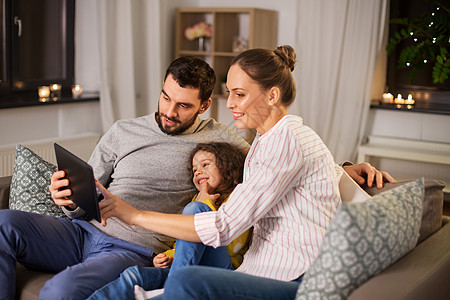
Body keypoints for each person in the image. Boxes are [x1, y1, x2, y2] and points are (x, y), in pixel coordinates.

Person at [93, 45, 395, 299]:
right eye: (230, 94)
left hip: (295, 280)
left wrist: (131, 214)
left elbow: (224, 226)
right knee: (189, 216)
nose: (231, 104)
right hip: (255, 268)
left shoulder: (286, 141)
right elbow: (303, 174)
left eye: (239, 94)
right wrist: (342, 170)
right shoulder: (267, 140)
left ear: (272, 96)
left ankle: (169, 290)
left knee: (186, 281)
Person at [0, 56, 250, 300]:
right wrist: (69, 199)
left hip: (131, 248)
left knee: (60, 291)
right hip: (82, 232)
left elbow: (264, 161)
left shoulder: (218, 137)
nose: (169, 111)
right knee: (3, 223)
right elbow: (87, 193)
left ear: (204, 106)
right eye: (165, 98)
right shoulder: (123, 130)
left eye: (183, 106)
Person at [88, 142, 251, 300]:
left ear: (229, 167)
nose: (198, 172)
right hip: (189, 270)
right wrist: (169, 257)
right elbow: (184, 243)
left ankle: (173, 292)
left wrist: (203, 205)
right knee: (134, 275)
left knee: (195, 211)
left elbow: (230, 240)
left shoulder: (237, 198)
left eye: (205, 165)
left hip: (222, 272)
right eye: (195, 170)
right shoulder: (198, 200)